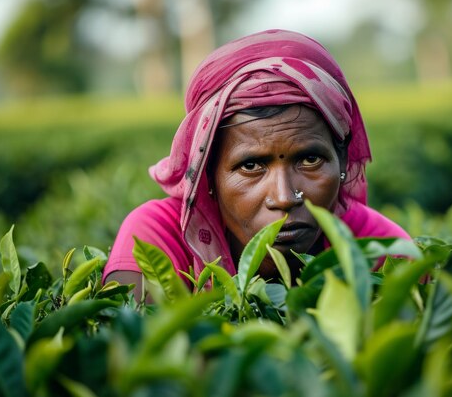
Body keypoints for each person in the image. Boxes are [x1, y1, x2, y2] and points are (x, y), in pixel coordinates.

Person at [103, 29, 410, 292]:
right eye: (251, 166)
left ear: (342, 162)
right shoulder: (158, 237)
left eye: (310, 159)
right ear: (207, 175)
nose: (285, 197)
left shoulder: (380, 248)